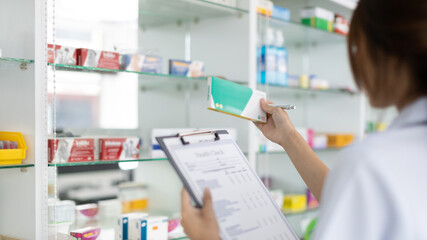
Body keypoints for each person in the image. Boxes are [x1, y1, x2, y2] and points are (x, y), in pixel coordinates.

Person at [180, 0, 427, 239]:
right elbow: (350, 198)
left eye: (356, 47)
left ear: (387, 52)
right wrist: (289, 138)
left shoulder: (370, 163)